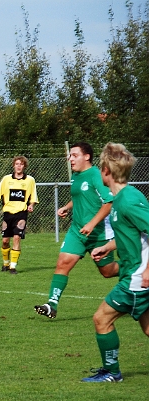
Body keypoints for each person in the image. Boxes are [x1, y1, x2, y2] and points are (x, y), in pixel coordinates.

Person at [83, 143, 149, 382]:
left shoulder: (128, 200)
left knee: (102, 318)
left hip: (136, 278)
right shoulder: (123, 198)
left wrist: (148, 270)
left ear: (106, 171)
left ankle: (112, 373)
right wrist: (107, 247)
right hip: (134, 273)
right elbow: (132, 234)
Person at [34, 142, 119, 319]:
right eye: (70, 155)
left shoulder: (96, 175)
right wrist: (67, 207)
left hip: (99, 233)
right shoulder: (76, 176)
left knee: (108, 271)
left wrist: (92, 224)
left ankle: (138, 268)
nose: (70, 158)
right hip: (77, 231)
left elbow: (108, 202)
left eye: (74, 155)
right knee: (62, 263)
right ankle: (51, 305)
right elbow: (82, 197)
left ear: (87, 157)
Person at [0, 155, 38, 274]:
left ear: (24, 166)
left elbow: (33, 195)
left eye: (21, 164)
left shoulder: (30, 180)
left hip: (21, 213)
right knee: (5, 241)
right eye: (17, 164)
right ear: (13, 166)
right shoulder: (7, 179)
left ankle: (13, 267)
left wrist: (31, 205)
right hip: (8, 213)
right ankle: (5, 263)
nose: (19, 166)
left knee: (17, 238)